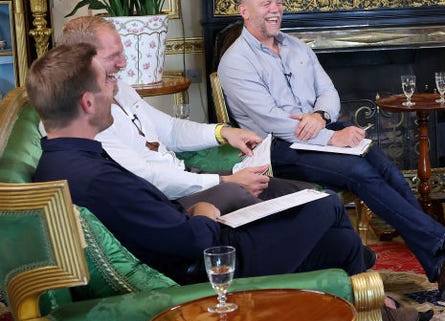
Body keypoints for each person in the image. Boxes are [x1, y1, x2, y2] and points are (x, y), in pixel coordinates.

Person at [30, 44, 428, 321]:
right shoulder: (95, 176)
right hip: (212, 265)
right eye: (107, 84)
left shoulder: (63, 160)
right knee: (323, 204)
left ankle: (370, 307)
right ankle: (374, 302)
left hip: (205, 243)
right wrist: (203, 212)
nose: (114, 92)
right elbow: (183, 241)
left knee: (339, 242)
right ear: (86, 101)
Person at [217, 0, 445, 301]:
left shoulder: (297, 46)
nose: (276, 10)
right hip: (279, 147)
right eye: (266, 5)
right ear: (244, 11)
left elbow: (329, 91)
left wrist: (321, 117)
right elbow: (271, 121)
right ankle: (444, 244)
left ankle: (439, 263)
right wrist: (330, 137)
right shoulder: (235, 62)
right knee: (359, 173)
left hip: (319, 128)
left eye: (278, 3)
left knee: (383, 166)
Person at [58, 16, 313, 215]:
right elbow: (147, 179)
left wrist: (223, 132)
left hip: (190, 176)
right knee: (286, 206)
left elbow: (169, 129)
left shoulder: (119, 87)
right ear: (82, 61)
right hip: (170, 200)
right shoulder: (83, 118)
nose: (124, 63)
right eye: (114, 57)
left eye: (122, 53)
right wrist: (226, 180)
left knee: (309, 195)